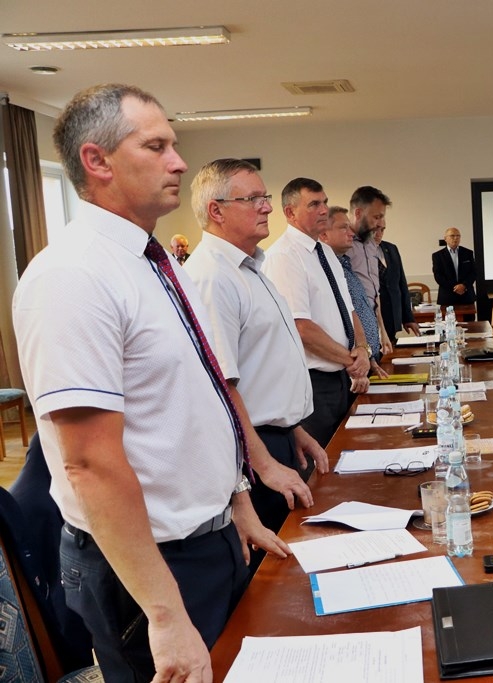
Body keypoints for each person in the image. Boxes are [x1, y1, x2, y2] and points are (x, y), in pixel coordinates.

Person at [12, 83, 289, 681]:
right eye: (156, 146)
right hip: (150, 569)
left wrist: (236, 502)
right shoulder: (73, 275)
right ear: (97, 160)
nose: (180, 162)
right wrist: (164, 614)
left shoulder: (153, 262)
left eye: (174, 145)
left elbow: (198, 400)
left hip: (209, 540)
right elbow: (89, 465)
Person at [184, 158, 329, 533]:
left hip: (275, 439)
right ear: (216, 211)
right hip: (253, 452)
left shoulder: (249, 268)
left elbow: (261, 365)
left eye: (265, 197)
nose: (267, 207)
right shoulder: (213, 276)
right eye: (253, 199)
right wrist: (264, 464)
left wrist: (293, 429)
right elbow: (221, 386)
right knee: (279, 562)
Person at [263, 178, 372, 448]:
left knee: (346, 454)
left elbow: (349, 309)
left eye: (324, 202)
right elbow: (300, 328)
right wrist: (352, 360)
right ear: (290, 212)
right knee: (321, 463)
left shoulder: (325, 252)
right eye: (314, 204)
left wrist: (361, 348)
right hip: (314, 384)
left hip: (340, 378)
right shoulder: (284, 256)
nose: (324, 210)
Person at [324, 206, 388, 374]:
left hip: (365, 359)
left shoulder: (344, 265)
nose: (351, 233)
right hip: (348, 366)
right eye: (344, 228)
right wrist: (359, 360)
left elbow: (359, 309)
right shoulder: (324, 271)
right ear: (324, 234)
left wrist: (369, 357)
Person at [347, 186, 392, 358]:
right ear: (358, 213)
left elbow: (375, 295)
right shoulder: (342, 245)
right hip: (353, 334)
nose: (380, 224)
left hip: (372, 329)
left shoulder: (371, 244)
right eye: (376, 217)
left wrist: (383, 331)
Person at [374, 223, 421, 343]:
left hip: (392, 317)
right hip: (374, 319)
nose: (378, 234)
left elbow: (402, 284)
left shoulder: (391, 248)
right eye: (375, 230)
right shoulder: (357, 252)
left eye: (382, 230)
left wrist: (408, 318)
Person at [432, 227, 477, 306]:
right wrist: (455, 288)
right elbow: (438, 276)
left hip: (466, 295)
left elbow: (473, 272)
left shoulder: (468, 253)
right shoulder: (438, 256)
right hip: (447, 297)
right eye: (452, 236)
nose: (456, 238)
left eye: (458, 236)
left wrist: (464, 286)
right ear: (445, 238)